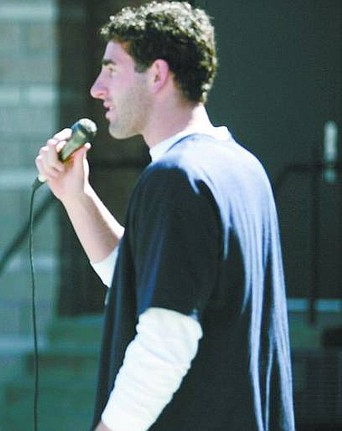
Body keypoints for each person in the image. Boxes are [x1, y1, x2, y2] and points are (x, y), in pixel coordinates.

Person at [35, 2, 295, 430]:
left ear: (157, 74)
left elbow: (166, 337)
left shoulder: (176, 178)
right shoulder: (243, 168)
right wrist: (76, 196)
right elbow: (147, 281)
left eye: (112, 69)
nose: (98, 88)